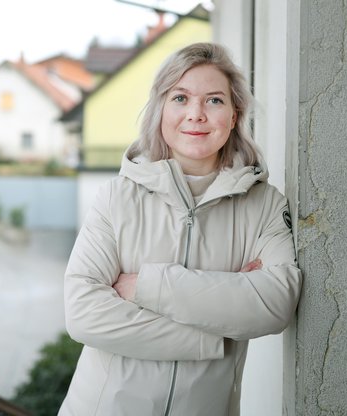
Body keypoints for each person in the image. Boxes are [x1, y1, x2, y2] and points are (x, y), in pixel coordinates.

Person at [58, 42, 302, 416]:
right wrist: (216, 329)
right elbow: (84, 313)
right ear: (161, 110)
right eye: (180, 98)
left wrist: (145, 287)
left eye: (215, 101)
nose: (196, 114)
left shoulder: (265, 204)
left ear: (235, 115)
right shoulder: (117, 197)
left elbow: (274, 304)